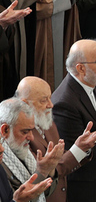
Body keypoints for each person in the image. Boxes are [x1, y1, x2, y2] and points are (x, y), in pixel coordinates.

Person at [16, 76, 96, 202]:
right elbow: (45, 171)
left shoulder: (48, 122)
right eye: (43, 100)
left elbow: (57, 158)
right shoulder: (19, 133)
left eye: (50, 97)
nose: (51, 104)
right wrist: (78, 149)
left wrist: (84, 147)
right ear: (25, 103)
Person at [51, 40, 96, 202]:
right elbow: (75, 156)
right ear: (81, 68)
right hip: (86, 185)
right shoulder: (64, 103)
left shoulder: (89, 82)